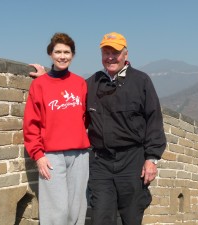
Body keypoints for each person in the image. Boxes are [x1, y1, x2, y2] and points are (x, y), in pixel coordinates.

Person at [30, 31, 166, 225]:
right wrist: (48, 77)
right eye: (106, 52)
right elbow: (68, 99)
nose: (110, 57)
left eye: (115, 52)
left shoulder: (141, 81)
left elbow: (154, 119)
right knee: (101, 216)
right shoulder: (91, 83)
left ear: (125, 55)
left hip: (132, 160)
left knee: (132, 215)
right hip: (100, 162)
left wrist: (151, 159)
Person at [23, 32, 90, 225]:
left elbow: (84, 118)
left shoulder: (80, 83)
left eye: (67, 52)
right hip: (51, 156)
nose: (62, 56)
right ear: (50, 54)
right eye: (58, 52)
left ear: (73, 55)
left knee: (76, 210)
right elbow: (31, 123)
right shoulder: (40, 85)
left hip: (80, 154)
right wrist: (38, 155)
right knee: (56, 213)